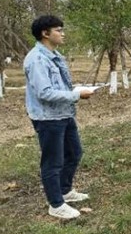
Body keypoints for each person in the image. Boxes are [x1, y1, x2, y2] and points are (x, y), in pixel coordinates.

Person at [24, 15, 93, 220]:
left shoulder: (54, 55)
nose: (63, 34)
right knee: (53, 162)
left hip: (63, 113)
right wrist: (76, 95)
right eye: (59, 30)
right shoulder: (37, 59)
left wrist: (75, 90)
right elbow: (44, 93)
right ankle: (55, 204)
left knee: (74, 153)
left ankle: (65, 191)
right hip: (48, 118)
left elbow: (57, 86)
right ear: (45, 33)